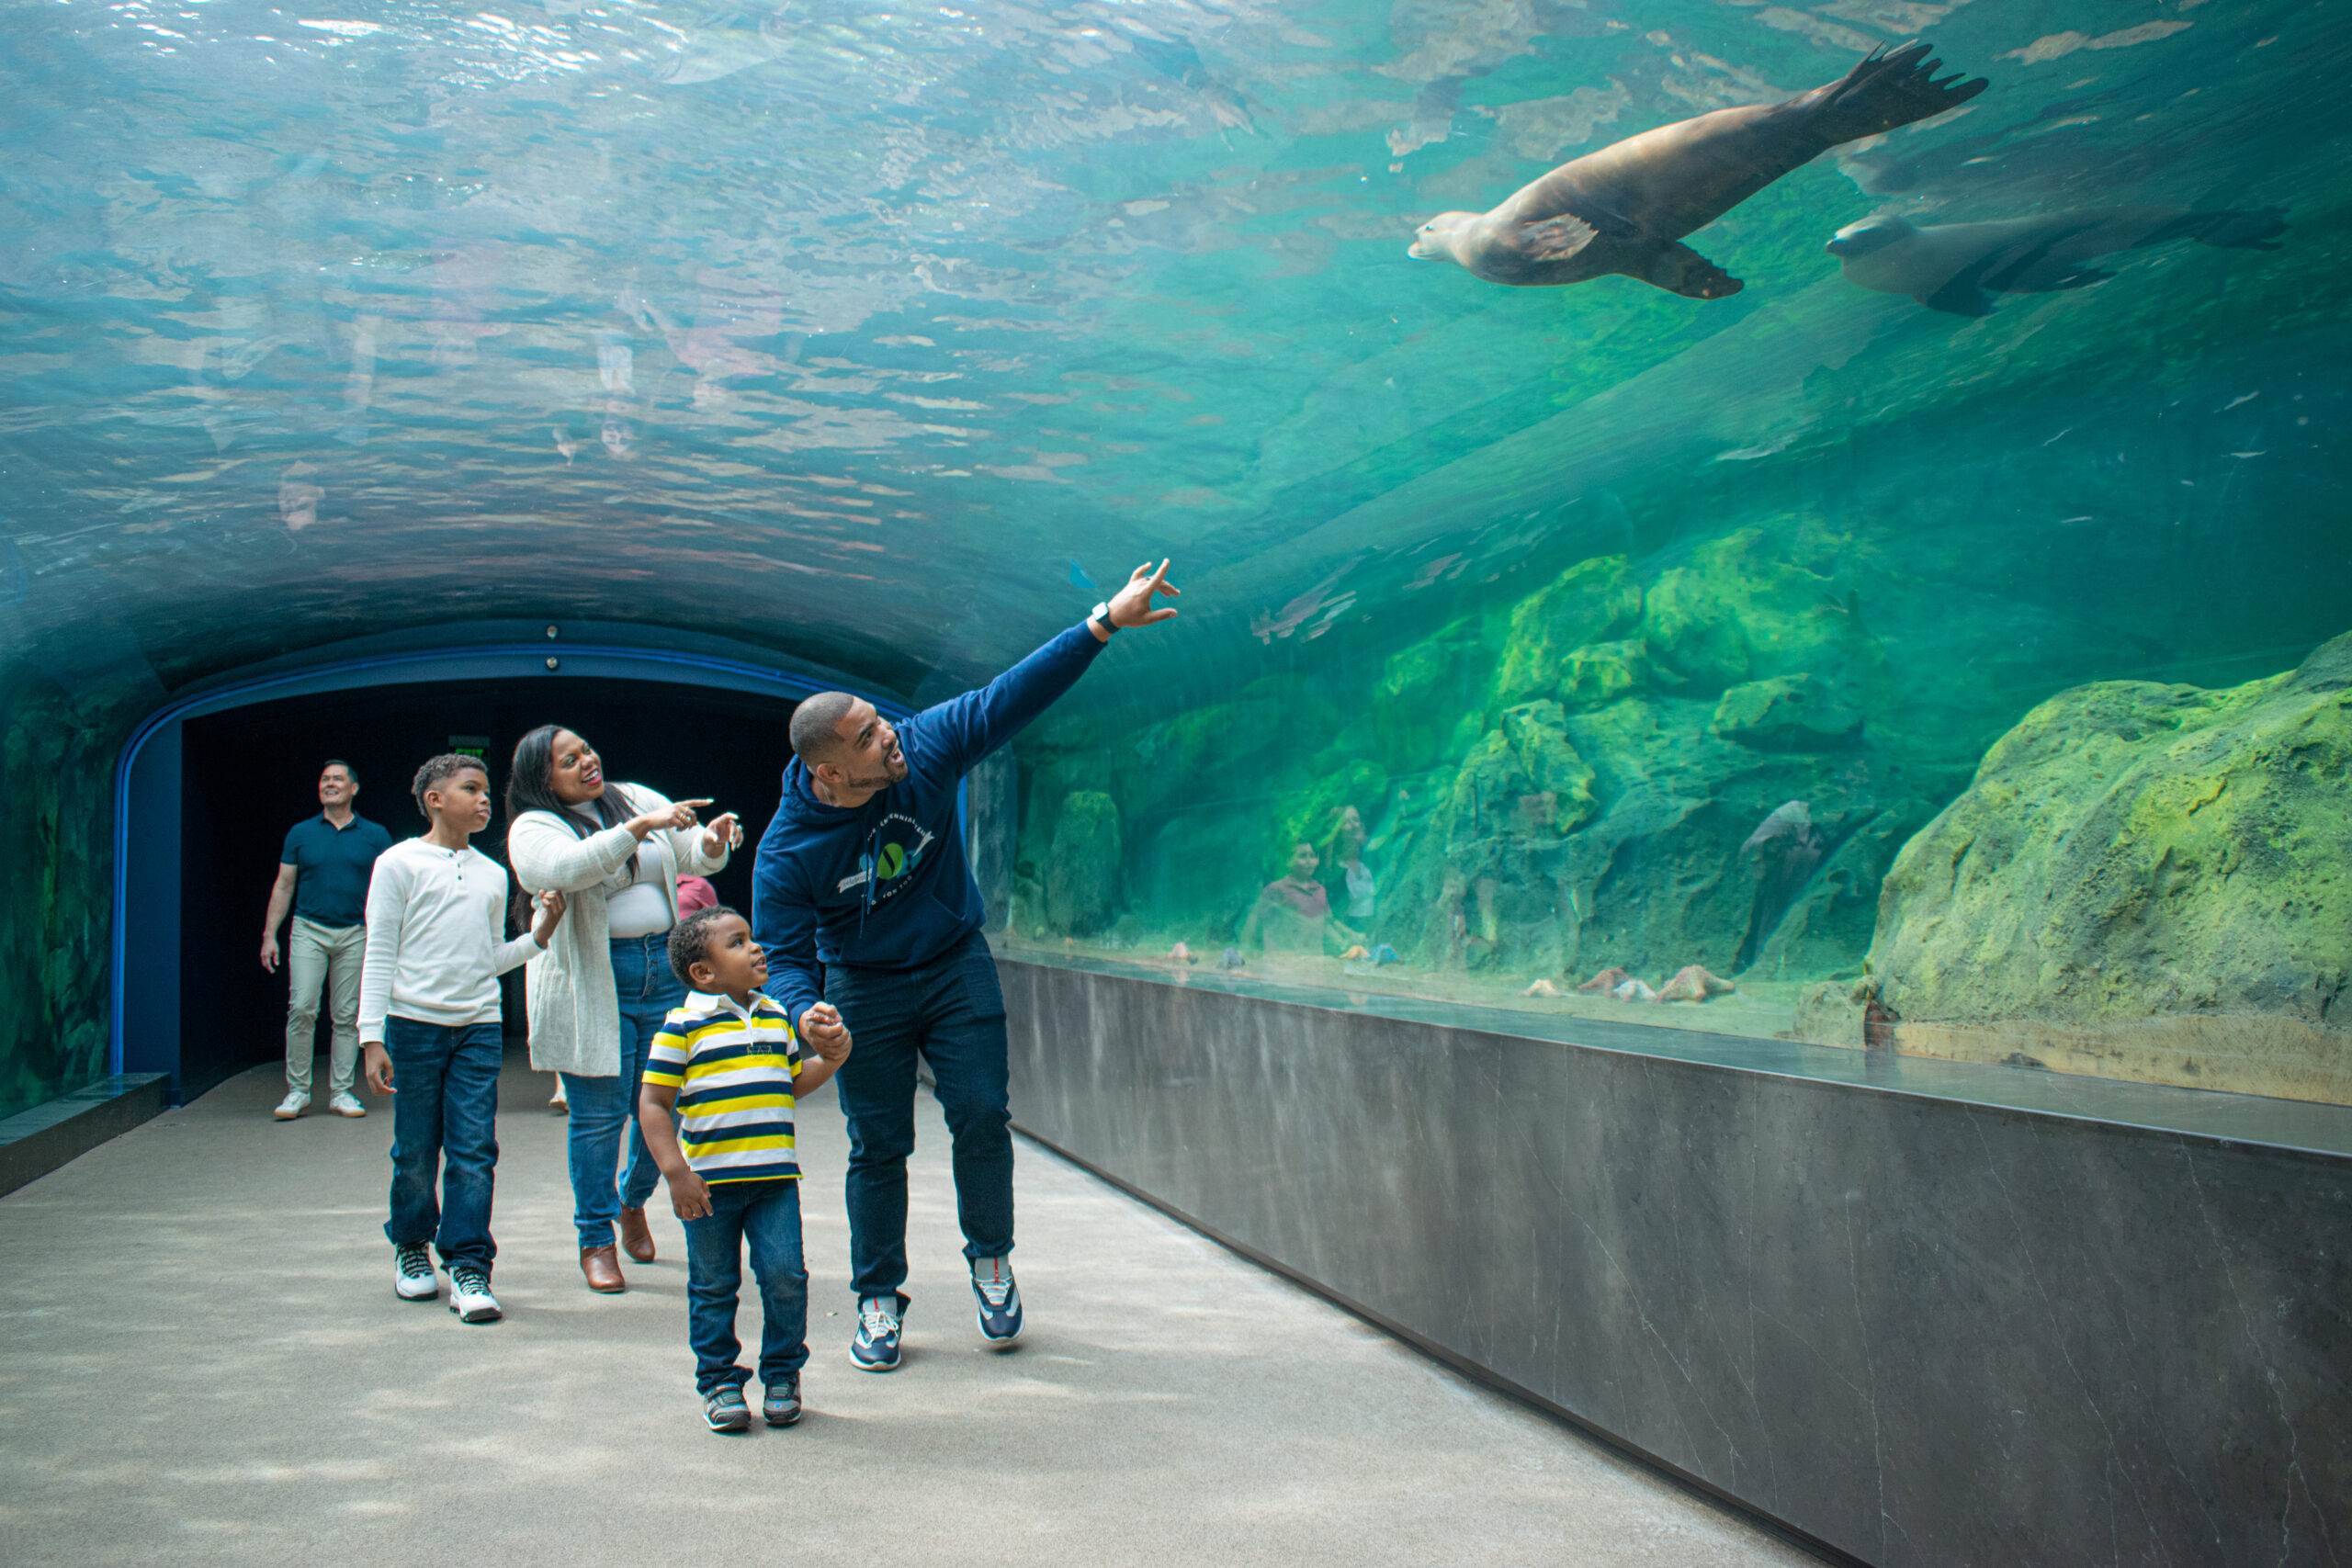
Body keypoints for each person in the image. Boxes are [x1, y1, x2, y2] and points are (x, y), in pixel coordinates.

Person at [753, 559, 1180, 1372]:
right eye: (870, 736)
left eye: (883, 721)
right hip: (861, 986)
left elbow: (1008, 695)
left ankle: (990, 1256)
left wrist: (1104, 623)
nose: (891, 735)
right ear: (830, 772)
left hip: (954, 962)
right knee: (876, 1144)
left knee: (981, 1113)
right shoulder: (788, 851)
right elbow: (781, 953)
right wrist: (803, 1009)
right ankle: (879, 1295)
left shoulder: (925, 746)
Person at [506, 726, 740, 1294]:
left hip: (663, 970)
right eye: (569, 760)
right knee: (599, 1117)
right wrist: (636, 829)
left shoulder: (634, 795)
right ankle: (595, 1239)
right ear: (544, 780)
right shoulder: (534, 827)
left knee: (667, 1104)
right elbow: (564, 869)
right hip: (595, 979)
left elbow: (692, 860)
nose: (588, 761)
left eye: (586, 749)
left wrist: (712, 841)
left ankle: (631, 1201)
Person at [360, 754, 568, 1324]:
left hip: (477, 1027)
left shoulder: (493, 873)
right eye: (470, 789)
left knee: (475, 1150)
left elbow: (490, 958)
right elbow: (379, 951)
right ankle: (411, 1248)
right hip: (412, 1027)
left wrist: (540, 933)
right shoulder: (398, 863)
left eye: (486, 791)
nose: (484, 800)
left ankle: (470, 1264)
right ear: (434, 798)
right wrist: (370, 1036)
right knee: (416, 1149)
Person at [639, 906, 852, 1434]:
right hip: (708, 1187)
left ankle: (782, 1374)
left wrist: (831, 1060)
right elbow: (653, 1105)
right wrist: (675, 1173)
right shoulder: (681, 1027)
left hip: (776, 1181)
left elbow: (790, 1083)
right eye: (738, 943)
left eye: (753, 939)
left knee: (785, 1277)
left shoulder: (776, 1014)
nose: (756, 948)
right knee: (713, 1285)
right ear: (704, 973)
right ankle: (718, 1381)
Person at [260, 761, 393, 1120]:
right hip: (309, 929)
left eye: (338, 779)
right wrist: (269, 934)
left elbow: (390, 889)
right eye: (324, 779)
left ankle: (342, 1092)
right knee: (302, 1007)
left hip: (355, 933)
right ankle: (298, 1092)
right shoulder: (301, 833)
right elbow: (284, 884)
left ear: (354, 789)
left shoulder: (375, 835)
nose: (329, 784)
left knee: (348, 1015)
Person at [1242, 840, 1360, 958]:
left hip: (1314, 961)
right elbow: (1254, 919)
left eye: (1312, 856)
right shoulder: (1276, 889)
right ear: (1289, 861)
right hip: (1283, 962)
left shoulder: (1320, 891)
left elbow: (1326, 924)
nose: (1309, 861)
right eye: (1302, 856)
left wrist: (1342, 944)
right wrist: (1246, 949)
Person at [1320, 804, 1377, 934]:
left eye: (1356, 820)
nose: (1354, 825)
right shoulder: (1330, 866)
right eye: (1347, 822)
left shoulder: (1369, 853)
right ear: (1336, 829)